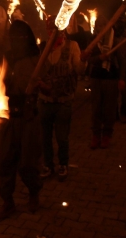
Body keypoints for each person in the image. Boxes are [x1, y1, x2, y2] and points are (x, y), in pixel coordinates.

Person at [0, 20, 43, 220]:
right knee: (5, 161)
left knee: (28, 163)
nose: (16, 41)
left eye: (20, 37)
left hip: (28, 117)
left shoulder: (37, 59)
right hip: (8, 116)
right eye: (12, 37)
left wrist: (39, 85)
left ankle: (34, 194)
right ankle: (8, 202)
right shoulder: (7, 58)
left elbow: (49, 86)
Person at [37, 18, 86, 181]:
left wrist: (84, 61)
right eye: (50, 31)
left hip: (64, 100)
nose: (52, 34)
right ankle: (48, 164)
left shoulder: (72, 47)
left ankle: (63, 164)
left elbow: (79, 70)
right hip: (44, 100)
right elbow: (37, 71)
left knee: (62, 136)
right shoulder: (43, 48)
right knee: (44, 136)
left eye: (55, 31)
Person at [85, 17, 126, 149]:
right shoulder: (92, 41)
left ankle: (107, 135)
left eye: (103, 24)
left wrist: (121, 79)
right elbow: (87, 59)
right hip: (96, 78)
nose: (100, 27)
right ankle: (96, 135)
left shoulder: (114, 41)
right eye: (98, 25)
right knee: (96, 108)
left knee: (109, 109)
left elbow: (122, 61)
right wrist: (99, 58)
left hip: (111, 78)